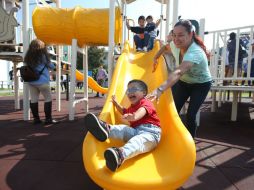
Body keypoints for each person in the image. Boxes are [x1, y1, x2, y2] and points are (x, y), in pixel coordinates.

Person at [147, 20, 212, 138]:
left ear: (191, 34)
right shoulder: (175, 45)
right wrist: (155, 57)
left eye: (181, 35)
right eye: (174, 35)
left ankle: (191, 140)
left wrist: (159, 90)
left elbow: (178, 72)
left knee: (191, 115)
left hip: (201, 85)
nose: (176, 39)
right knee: (173, 110)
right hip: (184, 83)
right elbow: (165, 47)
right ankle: (171, 135)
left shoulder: (195, 51)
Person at [84, 79, 161, 172]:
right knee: (123, 129)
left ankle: (121, 155)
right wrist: (116, 103)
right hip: (135, 131)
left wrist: (134, 116)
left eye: (134, 89)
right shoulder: (131, 108)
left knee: (137, 141)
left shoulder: (146, 102)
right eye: (128, 91)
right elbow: (123, 111)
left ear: (144, 93)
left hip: (151, 134)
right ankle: (106, 129)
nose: (130, 92)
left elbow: (142, 111)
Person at [24, 39, 59, 125]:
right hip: (42, 81)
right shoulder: (43, 56)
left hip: (31, 81)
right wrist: (55, 65)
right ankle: (48, 119)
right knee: (47, 99)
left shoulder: (27, 57)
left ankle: (36, 119)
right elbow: (51, 66)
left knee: (33, 99)